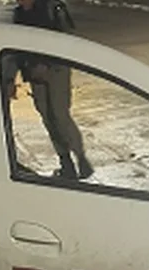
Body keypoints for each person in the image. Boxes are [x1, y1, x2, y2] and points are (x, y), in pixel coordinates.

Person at [13, 0, 93, 180]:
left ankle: (81, 158)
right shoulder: (19, 14)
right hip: (35, 73)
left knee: (60, 115)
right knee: (48, 117)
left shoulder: (52, 8)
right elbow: (17, 47)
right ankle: (65, 162)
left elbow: (66, 41)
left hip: (56, 70)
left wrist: (47, 64)